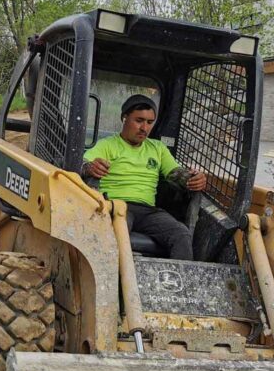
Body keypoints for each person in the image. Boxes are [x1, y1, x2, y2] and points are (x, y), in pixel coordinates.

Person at [81, 94, 207, 260]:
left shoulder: (157, 148)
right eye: (139, 120)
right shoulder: (107, 145)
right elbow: (82, 164)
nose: (144, 128)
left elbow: (175, 173)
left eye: (149, 122)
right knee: (118, 231)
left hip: (149, 212)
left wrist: (192, 178)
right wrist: (89, 167)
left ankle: (177, 284)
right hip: (117, 207)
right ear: (124, 118)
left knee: (181, 234)